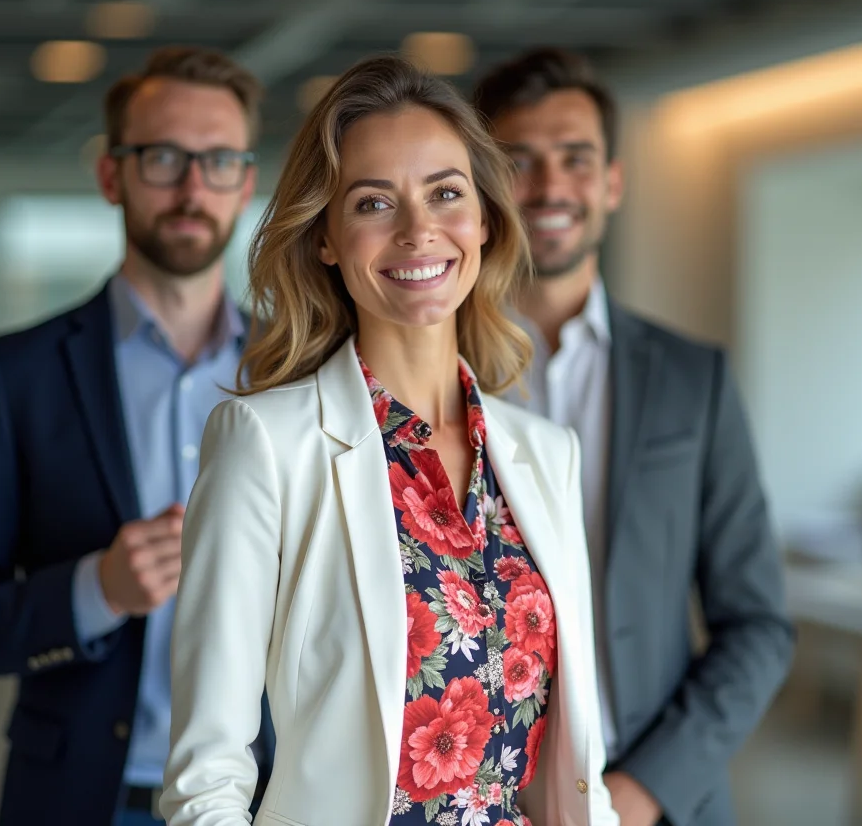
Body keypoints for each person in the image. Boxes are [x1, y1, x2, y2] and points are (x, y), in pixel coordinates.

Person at [159, 55, 620, 826]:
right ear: (328, 238)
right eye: (374, 203)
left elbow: (576, 764)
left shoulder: (546, 454)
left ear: (484, 221)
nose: (418, 230)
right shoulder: (265, 445)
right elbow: (206, 776)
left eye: (446, 193)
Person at [0, 47, 273, 826]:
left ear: (246, 182)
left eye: (217, 161)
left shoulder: (303, 374)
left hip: (269, 799)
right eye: (163, 158)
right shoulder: (19, 375)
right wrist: (95, 590)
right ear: (112, 175)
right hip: (85, 799)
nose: (191, 188)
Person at [472, 48, 795, 826]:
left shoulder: (694, 379)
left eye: (575, 159)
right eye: (519, 160)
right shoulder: (428, 371)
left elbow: (756, 625)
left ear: (612, 182)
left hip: (652, 795)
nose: (550, 187)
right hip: (470, 796)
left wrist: (644, 790)